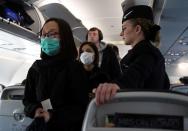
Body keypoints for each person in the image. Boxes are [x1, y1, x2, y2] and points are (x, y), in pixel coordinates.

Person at [95, 5, 170, 105]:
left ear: (137, 29)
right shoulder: (150, 52)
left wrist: (117, 85)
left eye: (124, 28)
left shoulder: (147, 53)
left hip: (142, 115)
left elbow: (137, 73)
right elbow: (166, 84)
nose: (121, 34)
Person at [23, 18, 89, 131]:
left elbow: (80, 108)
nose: (46, 38)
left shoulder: (75, 68)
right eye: (43, 35)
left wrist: (52, 116)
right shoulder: (36, 68)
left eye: (52, 34)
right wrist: (34, 110)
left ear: (65, 37)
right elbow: (28, 100)